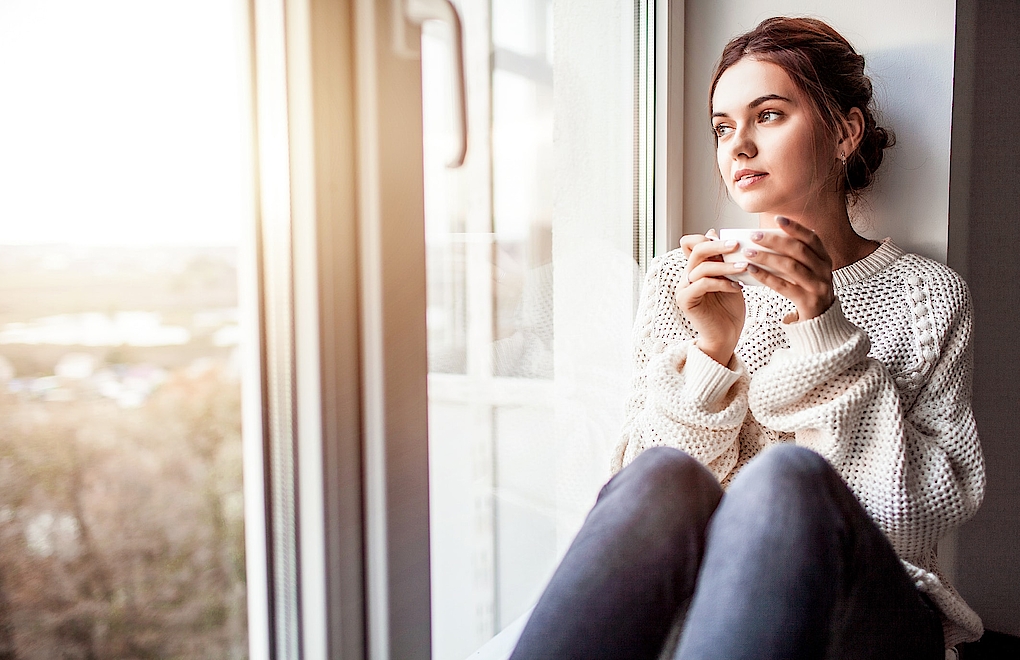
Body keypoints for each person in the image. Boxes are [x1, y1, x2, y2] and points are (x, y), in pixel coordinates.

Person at [509, 16, 984, 660]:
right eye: (723, 127)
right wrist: (711, 355)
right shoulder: (685, 279)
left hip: (878, 609)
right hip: (719, 601)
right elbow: (642, 507)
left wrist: (823, 330)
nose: (738, 146)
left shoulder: (928, 295)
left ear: (844, 132)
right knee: (660, 478)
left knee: (786, 475)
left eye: (767, 115)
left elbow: (913, 517)